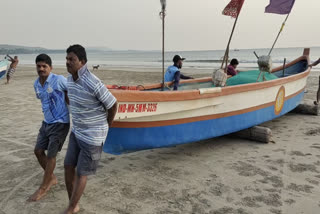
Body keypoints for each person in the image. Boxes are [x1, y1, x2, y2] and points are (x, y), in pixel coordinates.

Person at [62, 45, 117, 214]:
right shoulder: (70, 80)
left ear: (83, 62)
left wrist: (106, 125)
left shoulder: (92, 82)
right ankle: (74, 202)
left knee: (81, 172)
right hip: (77, 132)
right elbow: (69, 95)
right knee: (67, 166)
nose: (68, 62)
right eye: (67, 59)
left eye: (72, 59)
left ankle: (71, 208)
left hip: (92, 136)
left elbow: (113, 104)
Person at [28, 54, 70, 201]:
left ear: (50, 67)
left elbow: (72, 91)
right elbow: (43, 100)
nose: (41, 69)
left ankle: (43, 187)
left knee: (51, 155)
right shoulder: (36, 84)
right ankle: (51, 177)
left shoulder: (59, 80)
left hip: (60, 123)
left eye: (44, 66)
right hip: (46, 123)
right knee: (38, 151)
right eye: (39, 66)